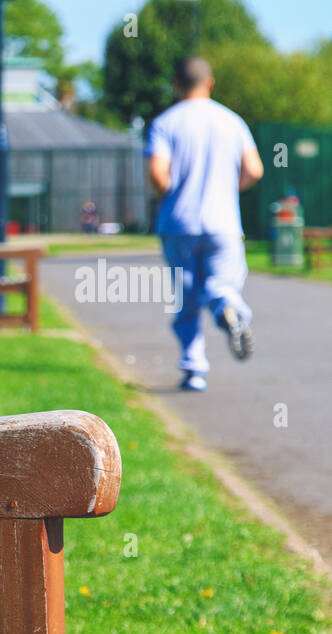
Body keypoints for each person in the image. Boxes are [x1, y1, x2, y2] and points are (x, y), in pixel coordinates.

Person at [145, 56, 263, 392]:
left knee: (187, 297)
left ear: (175, 85)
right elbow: (254, 170)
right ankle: (228, 307)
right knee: (222, 283)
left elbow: (158, 173)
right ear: (209, 83)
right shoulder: (232, 121)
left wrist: (170, 191)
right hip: (223, 220)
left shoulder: (166, 123)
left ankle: (194, 369)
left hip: (178, 222)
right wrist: (229, 187)